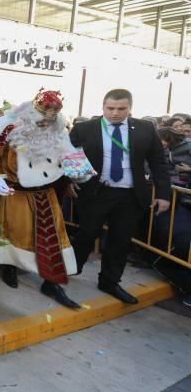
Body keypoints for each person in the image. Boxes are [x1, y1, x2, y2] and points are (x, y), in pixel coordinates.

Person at [0, 89, 91, 309]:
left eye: (53, 116)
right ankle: (10, 267)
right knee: (13, 234)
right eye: (44, 115)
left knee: (54, 237)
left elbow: (70, 157)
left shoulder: (58, 132)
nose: (47, 121)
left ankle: (52, 282)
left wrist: (77, 176)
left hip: (47, 194)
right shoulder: (11, 130)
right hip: (16, 194)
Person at [69, 88, 170, 304]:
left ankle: (110, 282)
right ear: (103, 107)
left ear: (130, 108)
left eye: (121, 108)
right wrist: (68, 182)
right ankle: (70, 269)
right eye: (110, 108)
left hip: (130, 196)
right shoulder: (85, 128)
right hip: (96, 192)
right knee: (86, 234)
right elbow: (66, 155)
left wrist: (163, 194)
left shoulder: (145, 129)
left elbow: (158, 162)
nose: (115, 113)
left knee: (120, 241)